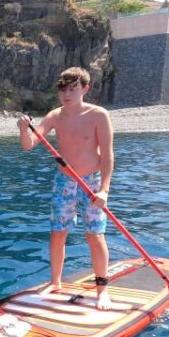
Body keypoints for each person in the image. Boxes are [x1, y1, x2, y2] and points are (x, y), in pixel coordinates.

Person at [17, 67, 114, 310]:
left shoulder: (98, 115)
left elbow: (108, 156)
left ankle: (102, 291)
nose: (67, 95)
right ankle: (56, 282)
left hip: (91, 182)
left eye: (73, 89)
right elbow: (29, 145)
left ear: (85, 89)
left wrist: (104, 190)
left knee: (94, 234)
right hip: (64, 182)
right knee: (58, 232)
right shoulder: (54, 116)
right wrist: (22, 129)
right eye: (63, 90)